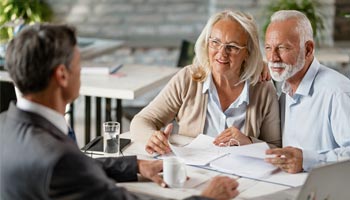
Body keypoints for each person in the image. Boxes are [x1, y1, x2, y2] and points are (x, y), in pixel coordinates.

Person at [0, 23, 239, 200]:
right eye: (79, 65)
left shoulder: (7, 125)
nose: (81, 72)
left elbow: (75, 166)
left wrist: (135, 165)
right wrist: (207, 198)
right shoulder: (59, 158)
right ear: (62, 75)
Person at [130, 10, 281, 155]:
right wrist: (152, 137)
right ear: (206, 43)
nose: (221, 53)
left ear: (247, 52)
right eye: (215, 42)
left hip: (242, 177)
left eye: (232, 47)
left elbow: (275, 147)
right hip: (193, 172)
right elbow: (142, 121)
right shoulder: (188, 79)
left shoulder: (263, 88)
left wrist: (248, 141)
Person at [264, 10, 350, 173]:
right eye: (269, 48)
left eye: (282, 48)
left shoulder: (338, 92)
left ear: (308, 49)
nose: (273, 57)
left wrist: (308, 160)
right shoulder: (285, 90)